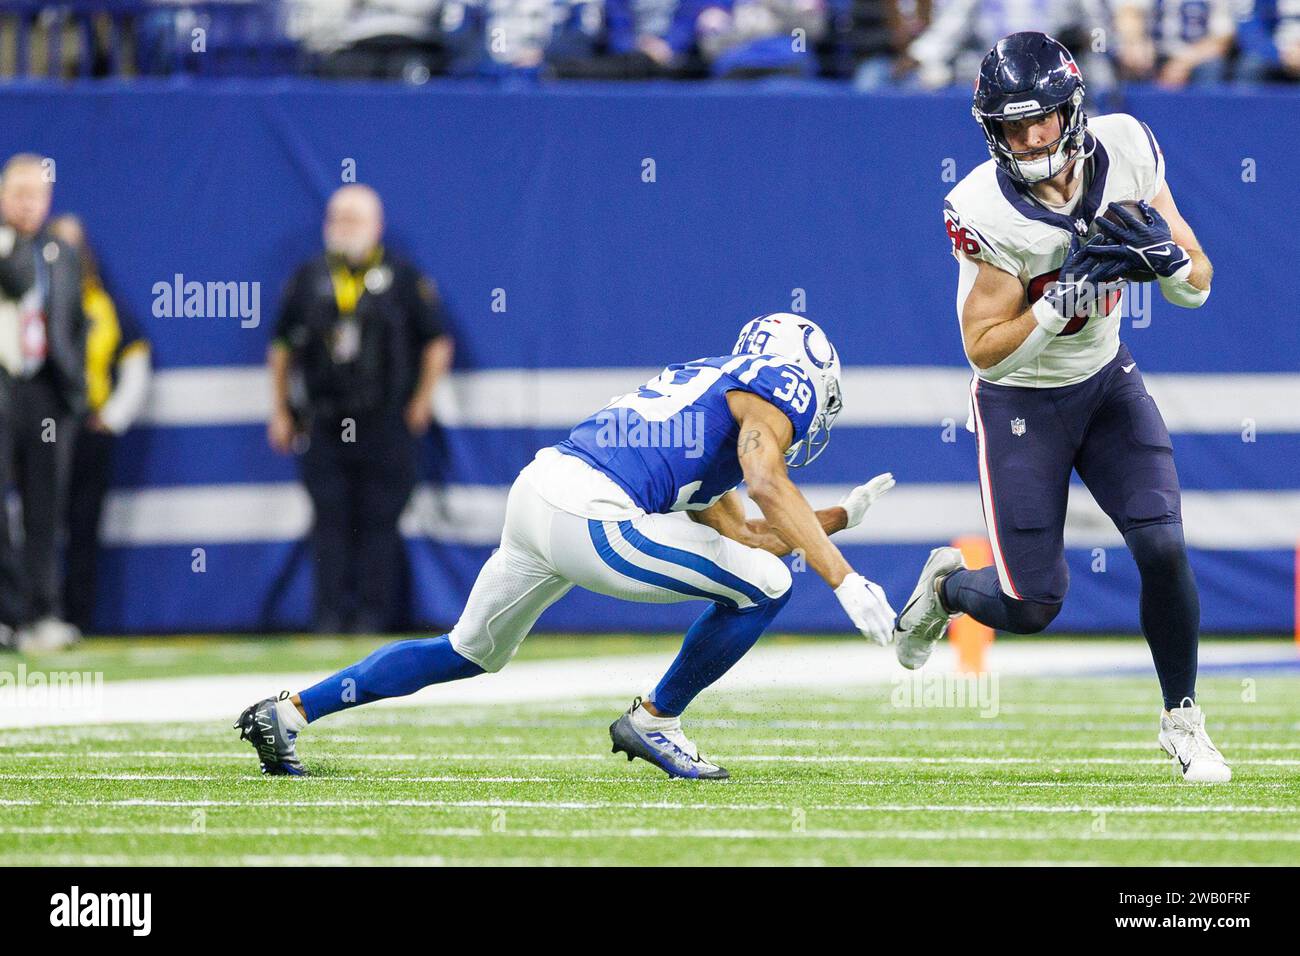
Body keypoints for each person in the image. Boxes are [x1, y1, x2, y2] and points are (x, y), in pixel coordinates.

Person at [237, 314, 898, 779]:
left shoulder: (708, 404)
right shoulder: (777, 386)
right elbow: (765, 481)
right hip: (589, 509)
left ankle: (290, 713)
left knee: (469, 651)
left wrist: (839, 518)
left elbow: (749, 533)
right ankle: (657, 719)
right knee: (770, 585)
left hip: (543, 493)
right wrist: (841, 579)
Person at [898, 32, 1230, 783]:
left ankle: (1183, 719)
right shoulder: (985, 207)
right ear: (993, 132)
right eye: (1014, 127)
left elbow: (1199, 281)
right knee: (1033, 603)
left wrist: (1170, 265)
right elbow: (983, 347)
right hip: (1022, 404)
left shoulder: (1129, 150)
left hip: (1108, 383)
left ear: (1072, 110)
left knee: (1163, 546)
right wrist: (1058, 302)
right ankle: (948, 586)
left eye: (1043, 118)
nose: (1033, 136)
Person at [268, 184, 452, 634]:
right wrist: (280, 410)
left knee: (380, 520)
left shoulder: (403, 276)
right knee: (329, 520)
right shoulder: (309, 277)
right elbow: (280, 346)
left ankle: (373, 616)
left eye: (355, 219)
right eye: (339, 218)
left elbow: (437, 342)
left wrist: (422, 401)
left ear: (377, 226)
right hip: (325, 419)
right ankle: (328, 617)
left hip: (385, 419)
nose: (345, 228)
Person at [49, 214, 152, 635]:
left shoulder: (103, 303)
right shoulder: (33, 298)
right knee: (34, 525)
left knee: (83, 525)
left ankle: (78, 617)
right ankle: (32, 613)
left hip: (87, 430)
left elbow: (134, 357)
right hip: (42, 429)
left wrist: (112, 417)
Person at [0, 154, 87, 652]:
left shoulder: (60, 250)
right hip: (3, 383)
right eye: (19, 194)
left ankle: (42, 612)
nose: (28, 205)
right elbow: (15, 279)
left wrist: (74, 384)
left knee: (45, 508)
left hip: (45, 389)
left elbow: (72, 319)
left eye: (37, 195)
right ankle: (7, 614)